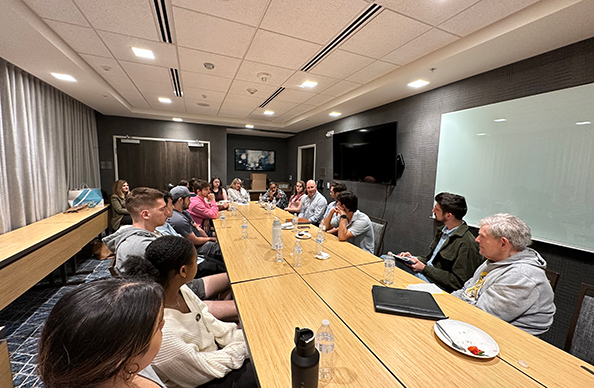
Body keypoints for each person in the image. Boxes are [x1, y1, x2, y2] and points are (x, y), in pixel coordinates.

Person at [123, 237, 257, 388]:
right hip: (200, 379)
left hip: (214, 357)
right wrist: (245, 348)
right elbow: (202, 369)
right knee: (262, 370)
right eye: (195, 261)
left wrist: (247, 340)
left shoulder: (180, 289)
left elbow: (210, 321)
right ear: (183, 270)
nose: (197, 264)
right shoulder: (162, 330)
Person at [38, 278, 166, 388]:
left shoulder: (124, 367)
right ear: (121, 357)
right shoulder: (132, 365)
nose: (164, 323)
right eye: (158, 326)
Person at [452, 213, 556, 336]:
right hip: (477, 327)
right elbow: (466, 291)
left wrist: (451, 307)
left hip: (511, 341)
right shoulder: (493, 260)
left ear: (503, 243)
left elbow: (482, 316)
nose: (477, 239)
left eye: (482, 236)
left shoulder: (521, 275)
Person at [394, 192, 483, 292]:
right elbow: (430, 260)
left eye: (437, 209)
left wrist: (424, 269)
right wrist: (413, 259)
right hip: (427, 274)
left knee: (388, 261)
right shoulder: (443, 231)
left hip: (439, 285)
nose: (433, 211)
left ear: (449, 215)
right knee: (391, 259)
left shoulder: (467, 243)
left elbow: (458, 282)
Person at [103, 187, 169, 273]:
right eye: (162, 209)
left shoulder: (150, 233)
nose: (167, 212)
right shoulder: (141, 246)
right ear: (145, 214)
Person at [169, 185, 225, 268]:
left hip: (202, 241)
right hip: (197, 248)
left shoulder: (185, 212)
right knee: (224, 250)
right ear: (180, 200)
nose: (190, 202)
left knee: (223, 244)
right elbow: (195, 241)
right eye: (188, 199)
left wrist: (209, 239)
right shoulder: (178, 220)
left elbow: (198, 228)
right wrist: (210, 239)